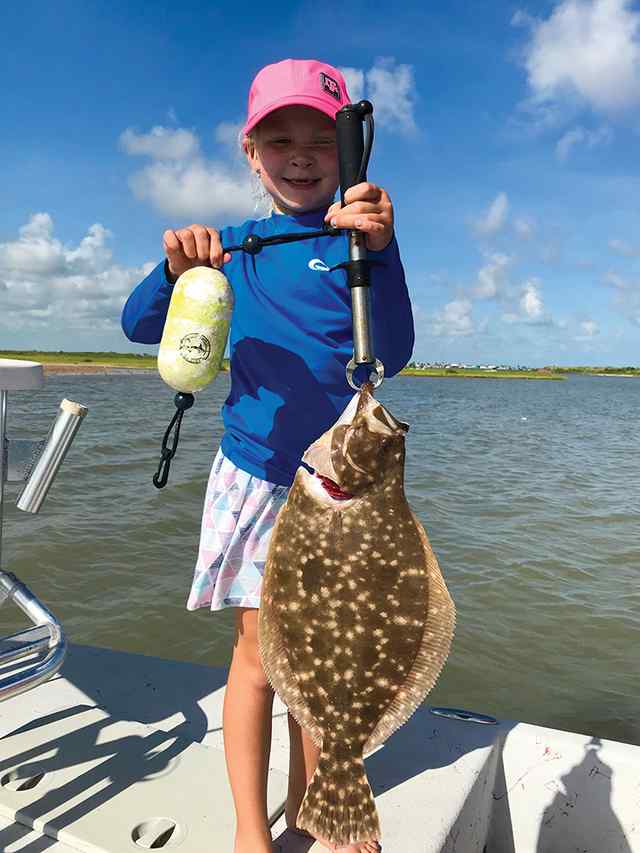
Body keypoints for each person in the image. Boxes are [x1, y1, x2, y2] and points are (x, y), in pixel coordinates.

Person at [121, 58, 414, 853]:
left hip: (343, 485)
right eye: (279, 140)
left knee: (321, 659)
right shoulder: (234, 249)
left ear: (346, 154)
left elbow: (395, 350)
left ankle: (313, 804)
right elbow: (139, 325)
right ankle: (252, 828)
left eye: (320, 140)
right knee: (257, 659)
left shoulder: (359, 243)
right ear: (251, 154)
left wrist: (383, 250)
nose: (300, 156)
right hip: (256, 478)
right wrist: (175, 270)